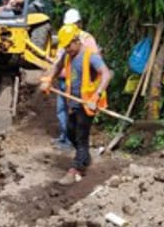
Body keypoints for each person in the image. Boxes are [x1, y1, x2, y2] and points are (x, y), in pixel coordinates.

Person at [41, 27, 113, 185]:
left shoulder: (90, 56)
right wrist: (48, 79)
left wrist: (96, 95)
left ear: (77, 41)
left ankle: (76, 169)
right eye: (65, 47)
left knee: (81, 135)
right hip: (73, 103)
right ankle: (84, 157)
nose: (67, 49)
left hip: (88, 104)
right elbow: (58, 66)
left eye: (69, 46)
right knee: (70, 131)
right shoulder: (68, 56)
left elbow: (106, 74)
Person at [50, 10, 101, 150]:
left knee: (75, 114)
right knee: (61, 110)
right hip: (64, 81)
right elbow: (60, 61)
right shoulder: (65, 35)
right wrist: (50, 77)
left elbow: (96, 63)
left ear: (79, 24)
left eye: (72, 24)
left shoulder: (86, 39)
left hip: (79, 83)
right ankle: (65, 138)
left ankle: (76, 145)